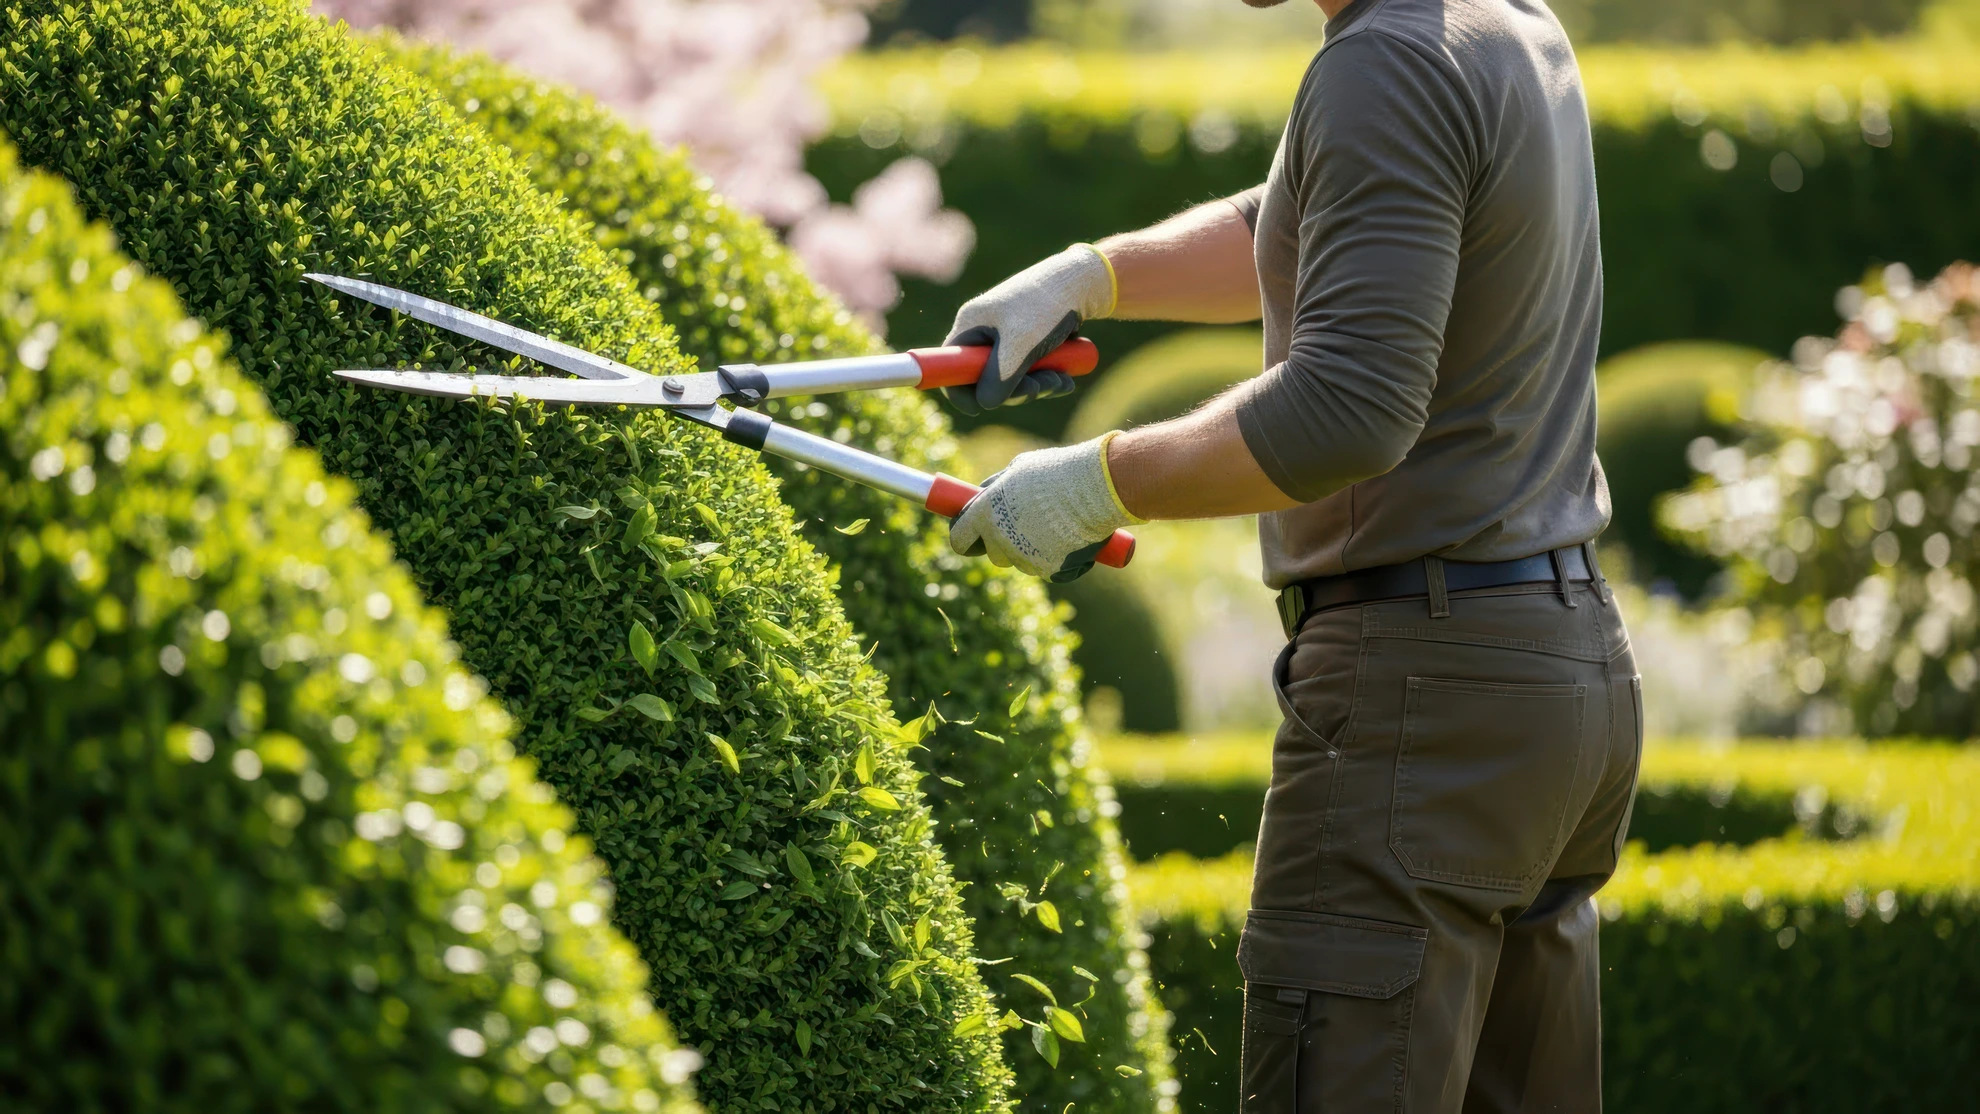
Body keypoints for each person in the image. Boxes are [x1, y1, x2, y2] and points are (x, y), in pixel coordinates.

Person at [939, 0, 1644, 1109]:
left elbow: (1347, 413)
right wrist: (1091, 276)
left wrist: (1093, 482)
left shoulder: (1385, 61)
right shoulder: (1494, 25)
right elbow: (1327, 216)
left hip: (1424, 700)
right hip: (1559, 676)